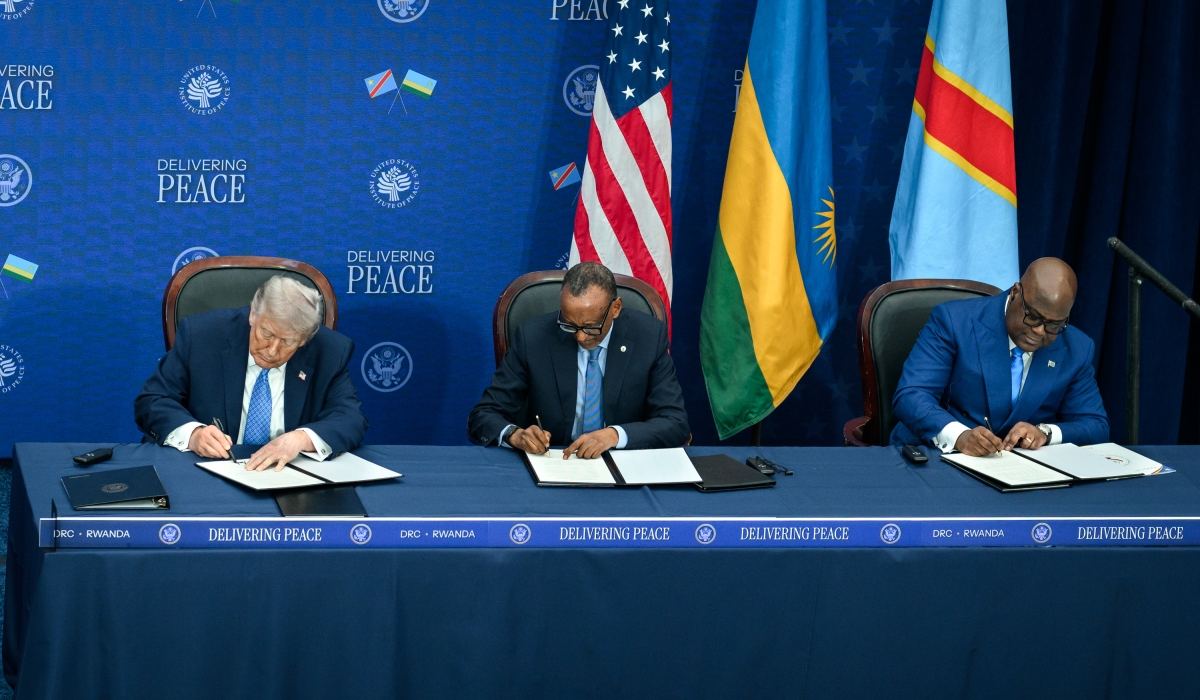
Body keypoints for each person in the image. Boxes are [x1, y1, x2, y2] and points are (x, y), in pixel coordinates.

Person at [135, 275, 368, 471]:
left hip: (287, 475)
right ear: (253, 314)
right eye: (266, 334)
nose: (272, 350)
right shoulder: (201, 335)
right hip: (206, 470)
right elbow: (153, 400)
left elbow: (350, 418)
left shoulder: (330, 351)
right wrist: (194, 434)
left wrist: (300, 439)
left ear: (304, 339)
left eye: (287, 341)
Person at [468, 262, 689, 458]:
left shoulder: (648, 337)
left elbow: (675, 423)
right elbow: (484, 415)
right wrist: (515, 435)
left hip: (622, 464)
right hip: (554, 461)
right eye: (570, 325)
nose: (581, 337)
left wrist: (614, 435)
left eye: (591, 327)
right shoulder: (533, 338)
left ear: (615, 308)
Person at [891, 257, 1108, 456]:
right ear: (1015, 293)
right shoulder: (954, 321)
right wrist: (959, 436)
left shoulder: (1077, 348)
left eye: (1053, 324)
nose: (1040, 331)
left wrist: (1045, 433)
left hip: (1019, 470)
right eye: (1033, 317)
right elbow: (911, 395)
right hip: (938, 456)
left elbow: (1096, 425)